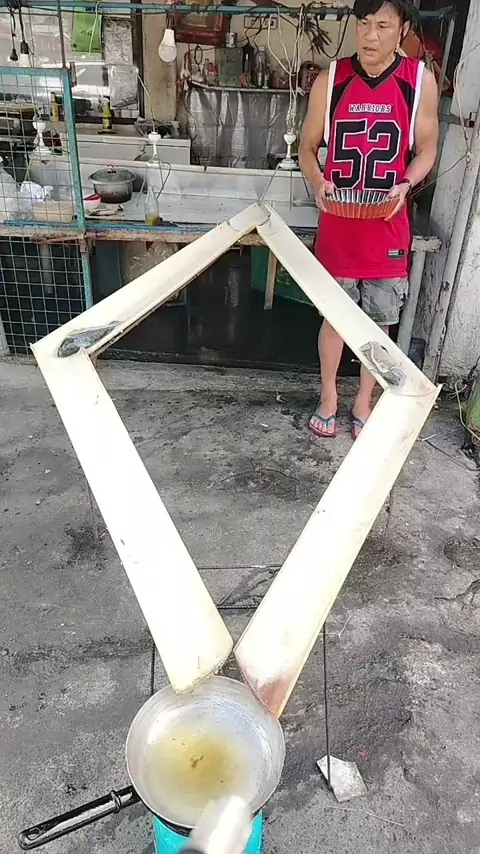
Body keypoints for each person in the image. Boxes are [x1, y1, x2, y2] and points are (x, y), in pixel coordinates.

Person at [298, 0, 439, 438]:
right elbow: (306, 148)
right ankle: (328, 396)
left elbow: (428, 149)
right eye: (363, 23)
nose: (370, 35)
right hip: (339, 225)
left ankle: (364, 400)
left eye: (382, 25)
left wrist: (406, 183)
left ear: (403, 30)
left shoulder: (419, 80)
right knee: (335, 319)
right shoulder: (332, 80)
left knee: (378, 322)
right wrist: (318, 180)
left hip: (388, 227)